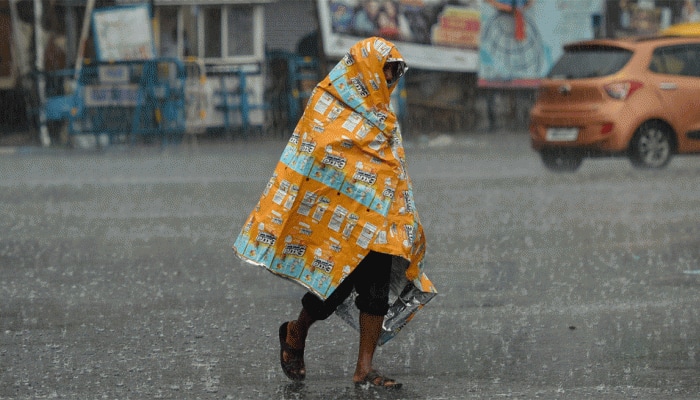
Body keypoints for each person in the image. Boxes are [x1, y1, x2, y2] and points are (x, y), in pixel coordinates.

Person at [232, 37, 435, 389]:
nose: (388, 81)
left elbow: (393, 170)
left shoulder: (383, 116)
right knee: (333, 288)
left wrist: (402, 214)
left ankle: (364, 369)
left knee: (376, 289)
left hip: (379, 220)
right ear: (365, 71)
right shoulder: (328, 103)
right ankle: (295, 333)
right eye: (384, 72)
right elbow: (314, 157)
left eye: (392, 75)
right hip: (337, 219)